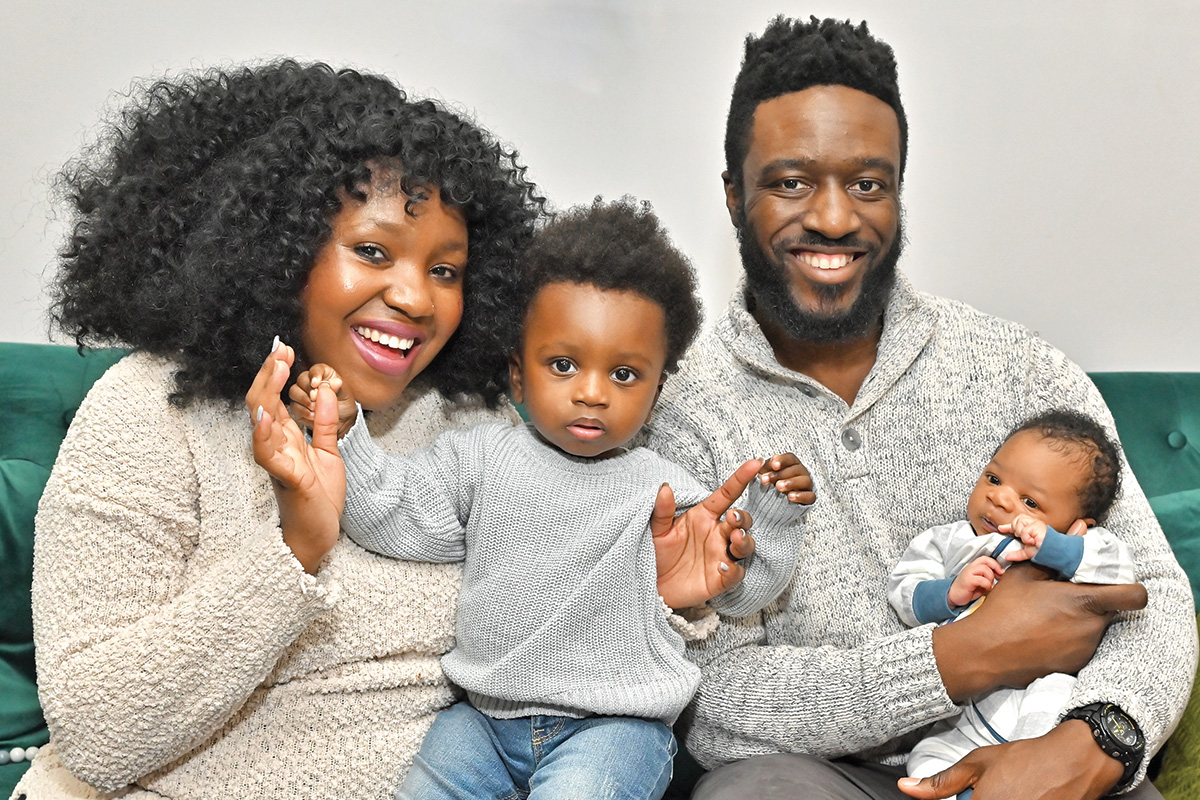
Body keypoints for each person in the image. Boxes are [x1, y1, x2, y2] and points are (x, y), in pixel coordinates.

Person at [19, 63, 756, 800]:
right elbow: (96, 736)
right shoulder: (151, 410)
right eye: (372, 252)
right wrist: (296, 551)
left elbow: (579, 624)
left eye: (446, 270)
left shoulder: (478, 420)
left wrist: (662, 591)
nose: (413, 297)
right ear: (281, 250)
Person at [641, 15, 1196, 800]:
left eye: (867, 183)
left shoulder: (1020, 368)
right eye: (791, 181)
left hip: (1048, 754)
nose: (835, 218)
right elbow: (709, 697)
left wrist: (1091, 743)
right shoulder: (680, 413)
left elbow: (1156, 598)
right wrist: (959, 658)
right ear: (734, 196)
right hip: (833, 781)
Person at [254, 199, 813, 800]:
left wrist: (772, 522)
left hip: (614, 728)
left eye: (624, 375)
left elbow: (739, 592)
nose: (593, 393)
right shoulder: (481, 456)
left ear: (656, 392)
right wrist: (343, 431)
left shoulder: (666, 492)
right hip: (482, 722)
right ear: (519, 377)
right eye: (565, 365)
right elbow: (394, 514)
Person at [887, 410, 1137, 790]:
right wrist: (949, 593)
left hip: (1042, 693)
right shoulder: (947, 541)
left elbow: (1120, 572)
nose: (999, 497)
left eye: (1030, 502)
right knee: (926, 760)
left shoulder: (1082, 547)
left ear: (1077, 524)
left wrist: (1055, 546)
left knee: (1053, 717)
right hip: (964, 713)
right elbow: (904, 591)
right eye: (994, 478)